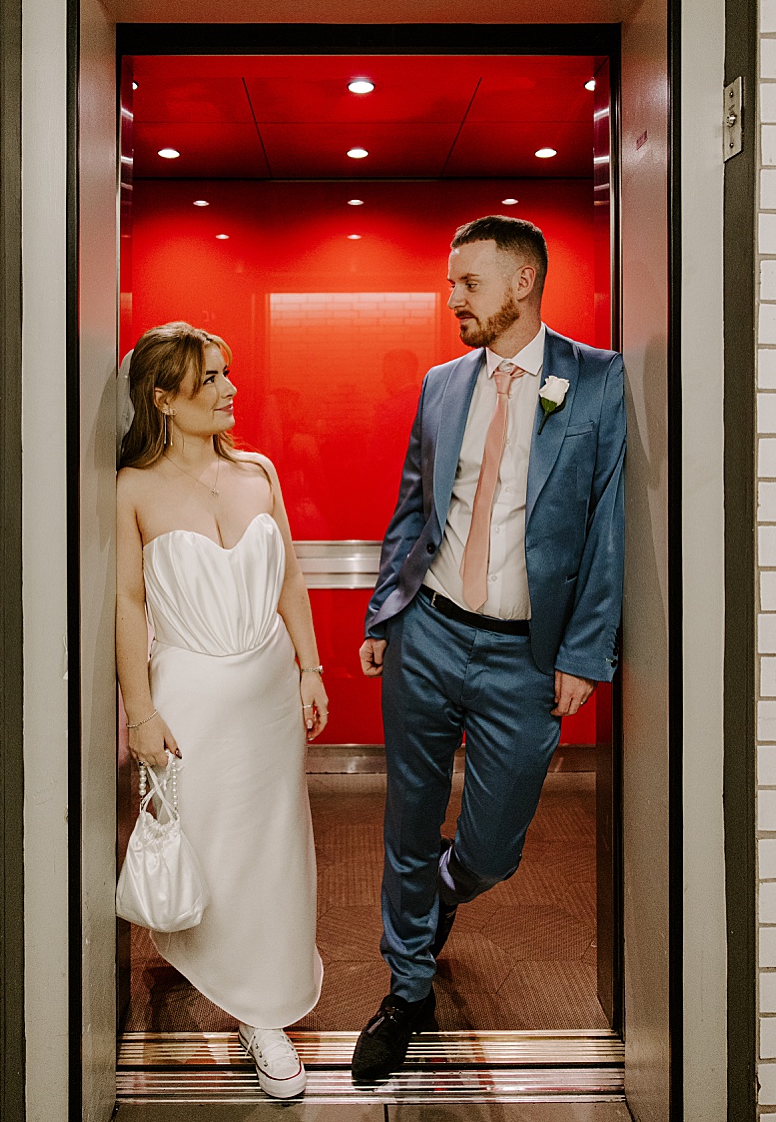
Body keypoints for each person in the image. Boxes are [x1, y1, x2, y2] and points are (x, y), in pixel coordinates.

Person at [351, 216, 625, 1081]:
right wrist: (382, 611)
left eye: (466, 282)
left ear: (521, 282)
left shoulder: (597, 381)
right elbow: (412, 506)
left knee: (494, 847)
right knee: (405, 819)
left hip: (524, 657)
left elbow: (607, 527)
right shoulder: (440, 383)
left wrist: (585, 654)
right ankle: (405, 990)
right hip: (427, 632)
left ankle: (436, 898)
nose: (451, 297)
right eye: (449, 282)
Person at [116, 322, 326, 1099]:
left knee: (272, 847)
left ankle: (261, 1011)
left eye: (228, 375)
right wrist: (138, 711)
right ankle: (209, 968)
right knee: (206, 843)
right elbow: (128, 602)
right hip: (188, 695)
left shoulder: (259, 470)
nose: (230, 390)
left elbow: (291, 580)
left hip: (268, 691)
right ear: (164, 399)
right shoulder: (131, 487)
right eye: (211, 380)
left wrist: (309, 666)